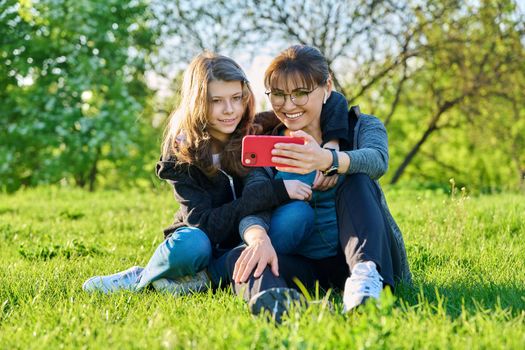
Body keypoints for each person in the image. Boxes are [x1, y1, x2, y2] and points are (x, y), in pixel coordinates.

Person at [82, 52, 305, 294]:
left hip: (247, 237)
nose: (230, 110)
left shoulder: (257, 129)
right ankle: (143, 277)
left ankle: (206, 277)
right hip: (202, 239)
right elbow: (204, 223)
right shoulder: (180, 150)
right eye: (216, 101)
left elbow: (322, 106)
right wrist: (275, 192)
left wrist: (333, 151)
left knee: (297, 215)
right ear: (197, 102)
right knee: (191, 244)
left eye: (236, 98)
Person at [227, 45, 411, 322]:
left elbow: (377, 160)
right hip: (306, 265)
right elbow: (254, 200)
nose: (288, 106)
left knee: (358, 179)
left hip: (362, 256)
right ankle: (277, 302)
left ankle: (365, 281)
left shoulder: (361, 126)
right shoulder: (269, 143)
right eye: (278, 94)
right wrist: (259, 238)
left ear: (326, 87)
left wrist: (327, 159)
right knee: (247, 255)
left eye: (300, 93)